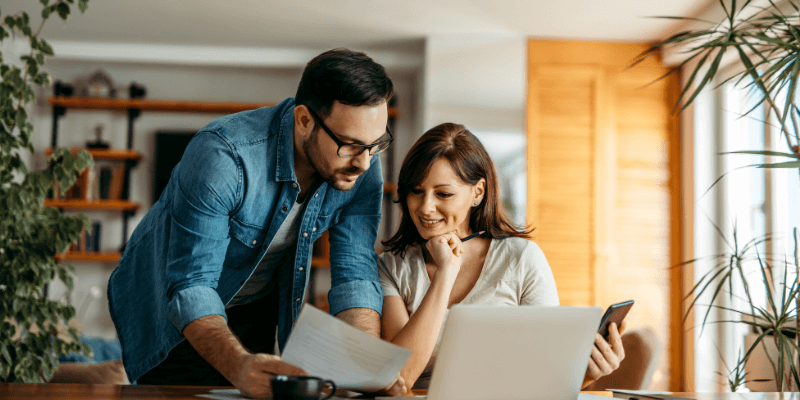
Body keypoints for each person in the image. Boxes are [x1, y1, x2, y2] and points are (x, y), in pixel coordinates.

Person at [108, 48, 406, 398]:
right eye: (350, 145)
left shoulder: (363, 164)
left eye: (376, 145)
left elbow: (355, 270)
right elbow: (192, 285)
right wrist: (236, 365)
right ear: (304, 120)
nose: (363, 163)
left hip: (255, 304)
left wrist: (365, 363)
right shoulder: (223, 157)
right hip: (170, 310)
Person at [378, 123, 626, 391]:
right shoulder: (391, 267)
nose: (425, 207)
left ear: (478, 192)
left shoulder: (521, 259)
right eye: (416, 191)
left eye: (443, 194)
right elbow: (400, 378)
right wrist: (446, 273)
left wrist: (586, 374)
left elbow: (546, 374)